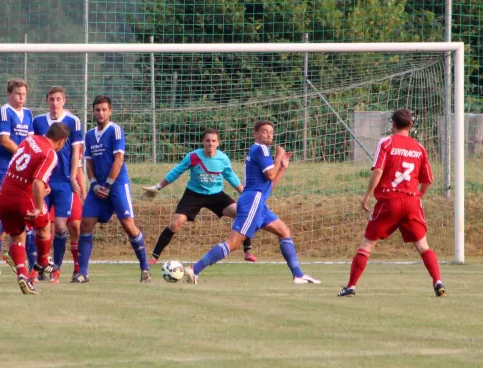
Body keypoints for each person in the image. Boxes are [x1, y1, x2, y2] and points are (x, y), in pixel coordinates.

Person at [183, 120, 320, 285]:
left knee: (284, 231)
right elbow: (270, 175)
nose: (269, 134)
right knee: (233, 243)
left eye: (271, 131)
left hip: (258, 201)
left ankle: (298, 275)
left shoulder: (260, 151)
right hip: (252, 201)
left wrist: (282, 167)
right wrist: (278, 158)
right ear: (256, 134)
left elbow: (269, 184)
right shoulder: (261, 149)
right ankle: (194, 269)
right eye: (264, 131)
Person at [338, 108, 446, 297]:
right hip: (412, 200)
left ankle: (351, 287)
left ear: (393, 124)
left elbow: (378, 171)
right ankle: (438, 282)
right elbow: (428, 179)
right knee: (423, 246)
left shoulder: (386, 142)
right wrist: (418, 196)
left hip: (389, 199)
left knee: (367, 244)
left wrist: (367, 196)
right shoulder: (419, 148)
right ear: (411, 125)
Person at [143, 128, 256, 264]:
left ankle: (247, 251)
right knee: (175, 224)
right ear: (203, 142)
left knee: (243, 213)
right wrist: (157, 187)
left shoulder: (223, 159)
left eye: (213, 141)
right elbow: (176, 172)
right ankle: (154, 257)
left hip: (216, 195)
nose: (210, 143)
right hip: (193, 195)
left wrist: (245, 195)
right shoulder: (193, 157)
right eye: (208, 140)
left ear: (218, 143)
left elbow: (231, 177)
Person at [72, 95, 151, 284]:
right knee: (85, 224)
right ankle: (83, 273)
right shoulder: (90, 135)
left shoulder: (115, 131)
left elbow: (119, 160)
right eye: (97, 109)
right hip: (97, 186)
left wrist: (107, 185)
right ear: (93, 111)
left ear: (110, 111)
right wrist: (93, 184)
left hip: (116, 185)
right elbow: (88, 162)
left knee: (128, 225)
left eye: (104, 109)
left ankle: (145, 268)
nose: (100, 113)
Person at [0, 123, 70, 294]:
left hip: (4, 196)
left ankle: (23, 276)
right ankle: (43, 261)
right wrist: (37, 207)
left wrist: (42, 188)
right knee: (44, 226)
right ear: (62, 141)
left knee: (17, 237)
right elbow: (37, 181)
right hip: (23, 197)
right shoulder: (50, 153)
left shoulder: (29, 139)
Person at [31, 87, 85, 283]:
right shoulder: (38, 122)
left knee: (61, 226)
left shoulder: (73, 121)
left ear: (64, 101)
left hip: (63, 182)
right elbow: (34, 149)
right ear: (47, 100)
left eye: (58, 99)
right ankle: (38, 267)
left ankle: (57, 269)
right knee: (40, 225)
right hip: (44, 180)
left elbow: (76, 152)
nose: (55, 103)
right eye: (51, 99)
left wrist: (72, 177)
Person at [0, 78, 34, 276]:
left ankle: (13, 253)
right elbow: (4, 140)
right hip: (3, 167)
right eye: (17, 94)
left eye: (23, 94)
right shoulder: (5, 112)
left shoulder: (28, 113)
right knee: (2, 209)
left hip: (20, 169)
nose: (21, 97)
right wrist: (23, 154)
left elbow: (30, 140)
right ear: (9, 94)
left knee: (19, 211)